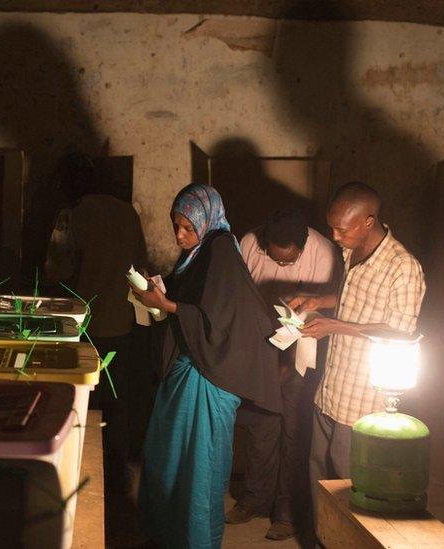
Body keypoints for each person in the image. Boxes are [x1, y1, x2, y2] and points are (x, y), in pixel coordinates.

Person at [132, 183, 280, 548]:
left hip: (210, 378)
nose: (179, 235)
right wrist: (161, 291)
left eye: (187, 227)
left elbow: (218, 321)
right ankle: (166, 537)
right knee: (168, 460)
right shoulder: (199, 253)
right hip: (190, 369)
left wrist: (165, 305)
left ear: (207, 220)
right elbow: (193, 300)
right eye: (175, 225)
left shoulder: (221, 252)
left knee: (199, 472)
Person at [289, 181, 425, 531]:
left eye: (341, 228)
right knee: (318, 476)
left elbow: (400, 333)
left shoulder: (403, 267)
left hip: (362, 402)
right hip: (332, 390)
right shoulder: (353, 251)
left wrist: (334, 327)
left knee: (352, 487)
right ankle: (322, 538)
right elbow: (356, 301)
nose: (334, 235)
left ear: (368, 220)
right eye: (331, 226)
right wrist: (319, 302)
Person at [228, 208, 339, 540]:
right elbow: (239, 299)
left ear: (303, 247)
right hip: (259, 345)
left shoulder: (323, 252)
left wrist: (288, 363)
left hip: (303, 349)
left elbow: (328, 310)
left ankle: (287, 512)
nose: (281, 267)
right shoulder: (248, 242)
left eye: (289, 263)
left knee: (293, 431)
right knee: (261, 425)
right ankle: (254, 500)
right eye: (274, 260)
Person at [44, 153, 149, 493]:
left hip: (82, 327)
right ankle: (117, 479)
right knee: (118, 405)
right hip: (122, 324)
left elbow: (56, 270)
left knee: (80, 401)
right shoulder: (128, 213)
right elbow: (142, 266)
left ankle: (82, 474)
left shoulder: (70, 215)